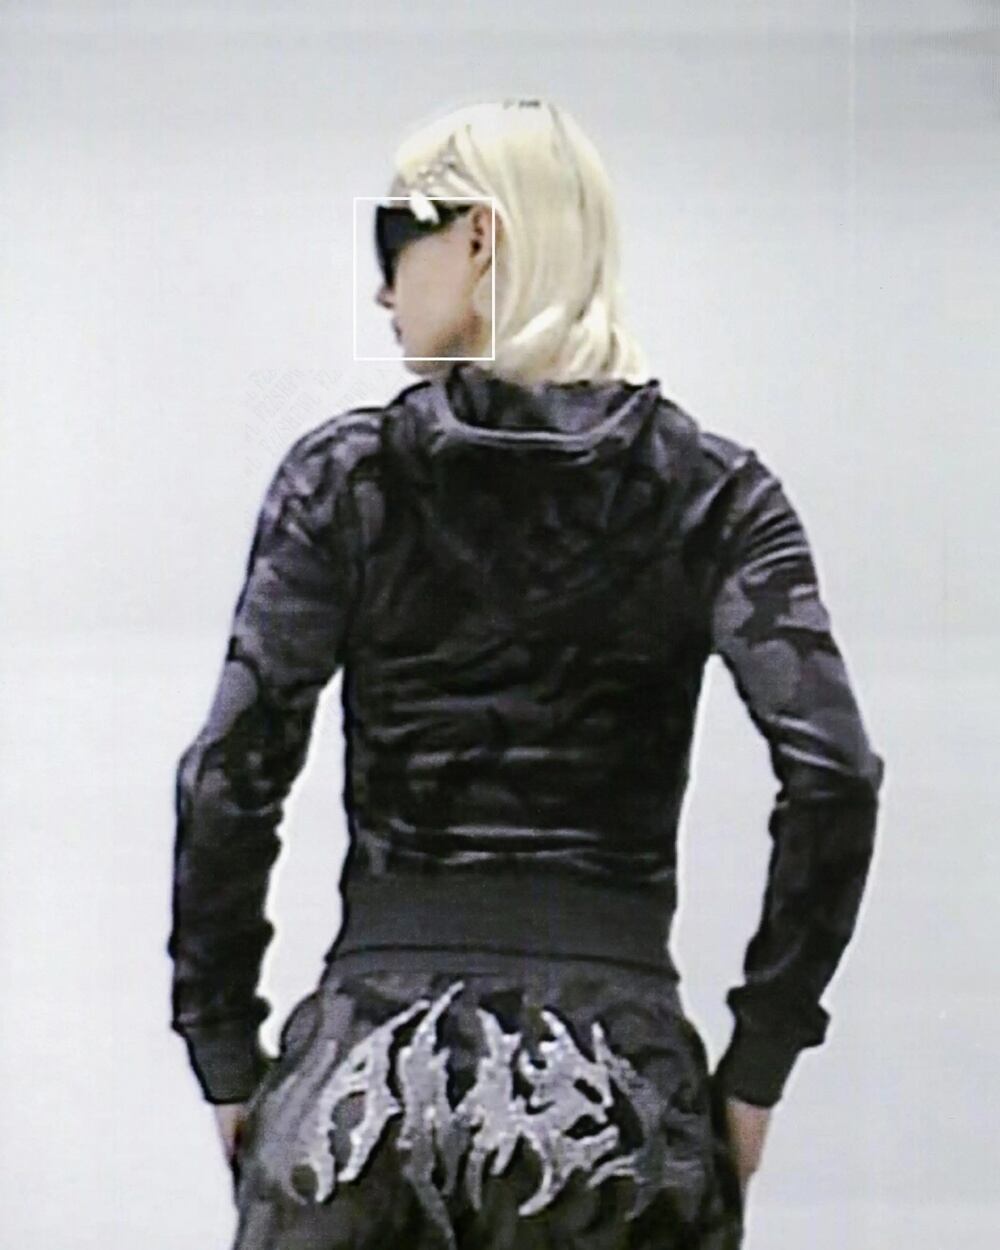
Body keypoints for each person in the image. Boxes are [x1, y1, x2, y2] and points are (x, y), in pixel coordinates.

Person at [167, 99, 885, 1249]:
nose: (382, 289)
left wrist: (224, 1050)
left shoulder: (346, 481)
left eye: (392, 238)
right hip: (611, 1102)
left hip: (366, 1089)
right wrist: (755, 1067)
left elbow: (229, 777)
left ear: (480, 236)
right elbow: (834, 773)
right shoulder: (713, 495)